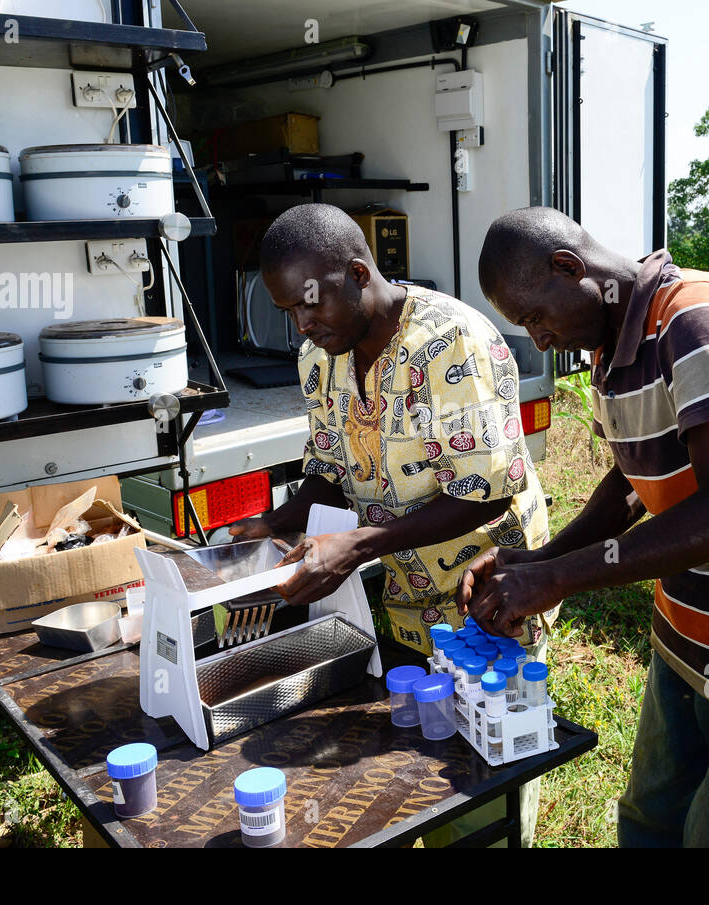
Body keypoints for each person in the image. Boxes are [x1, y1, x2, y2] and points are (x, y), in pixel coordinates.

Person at [459, 206, 709, 847]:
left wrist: (561, 576)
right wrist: (534, 564)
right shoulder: (610, 350)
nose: (537, 339)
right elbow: (629, 487)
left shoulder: (695, 318)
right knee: (651, 820)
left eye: (535, 316)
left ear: (571, 268)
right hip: (686, 633)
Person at [228, 202, 556, 846]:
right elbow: (328, 468)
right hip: (409, 590)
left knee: (488, 761)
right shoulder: (320, 360)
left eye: (309, 304)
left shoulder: (452, 344)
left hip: (490, 589)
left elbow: (487, 492)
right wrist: (273, 524)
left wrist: (356, 546)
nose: (300, 325)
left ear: (357, 273)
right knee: (419, 755)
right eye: (287, 311)